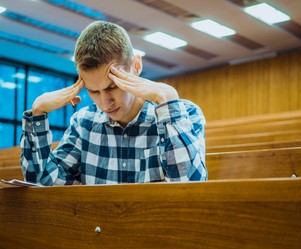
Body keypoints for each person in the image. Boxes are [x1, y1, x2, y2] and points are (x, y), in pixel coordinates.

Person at [20, 20, 207, 185]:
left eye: (113, 87)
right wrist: (38, 113)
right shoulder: (84, 122)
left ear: (136, 66)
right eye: (93, 91)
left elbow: (188, 187)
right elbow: (43, 183)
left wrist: (168, 100)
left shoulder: (186, 114)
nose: (105, 103)